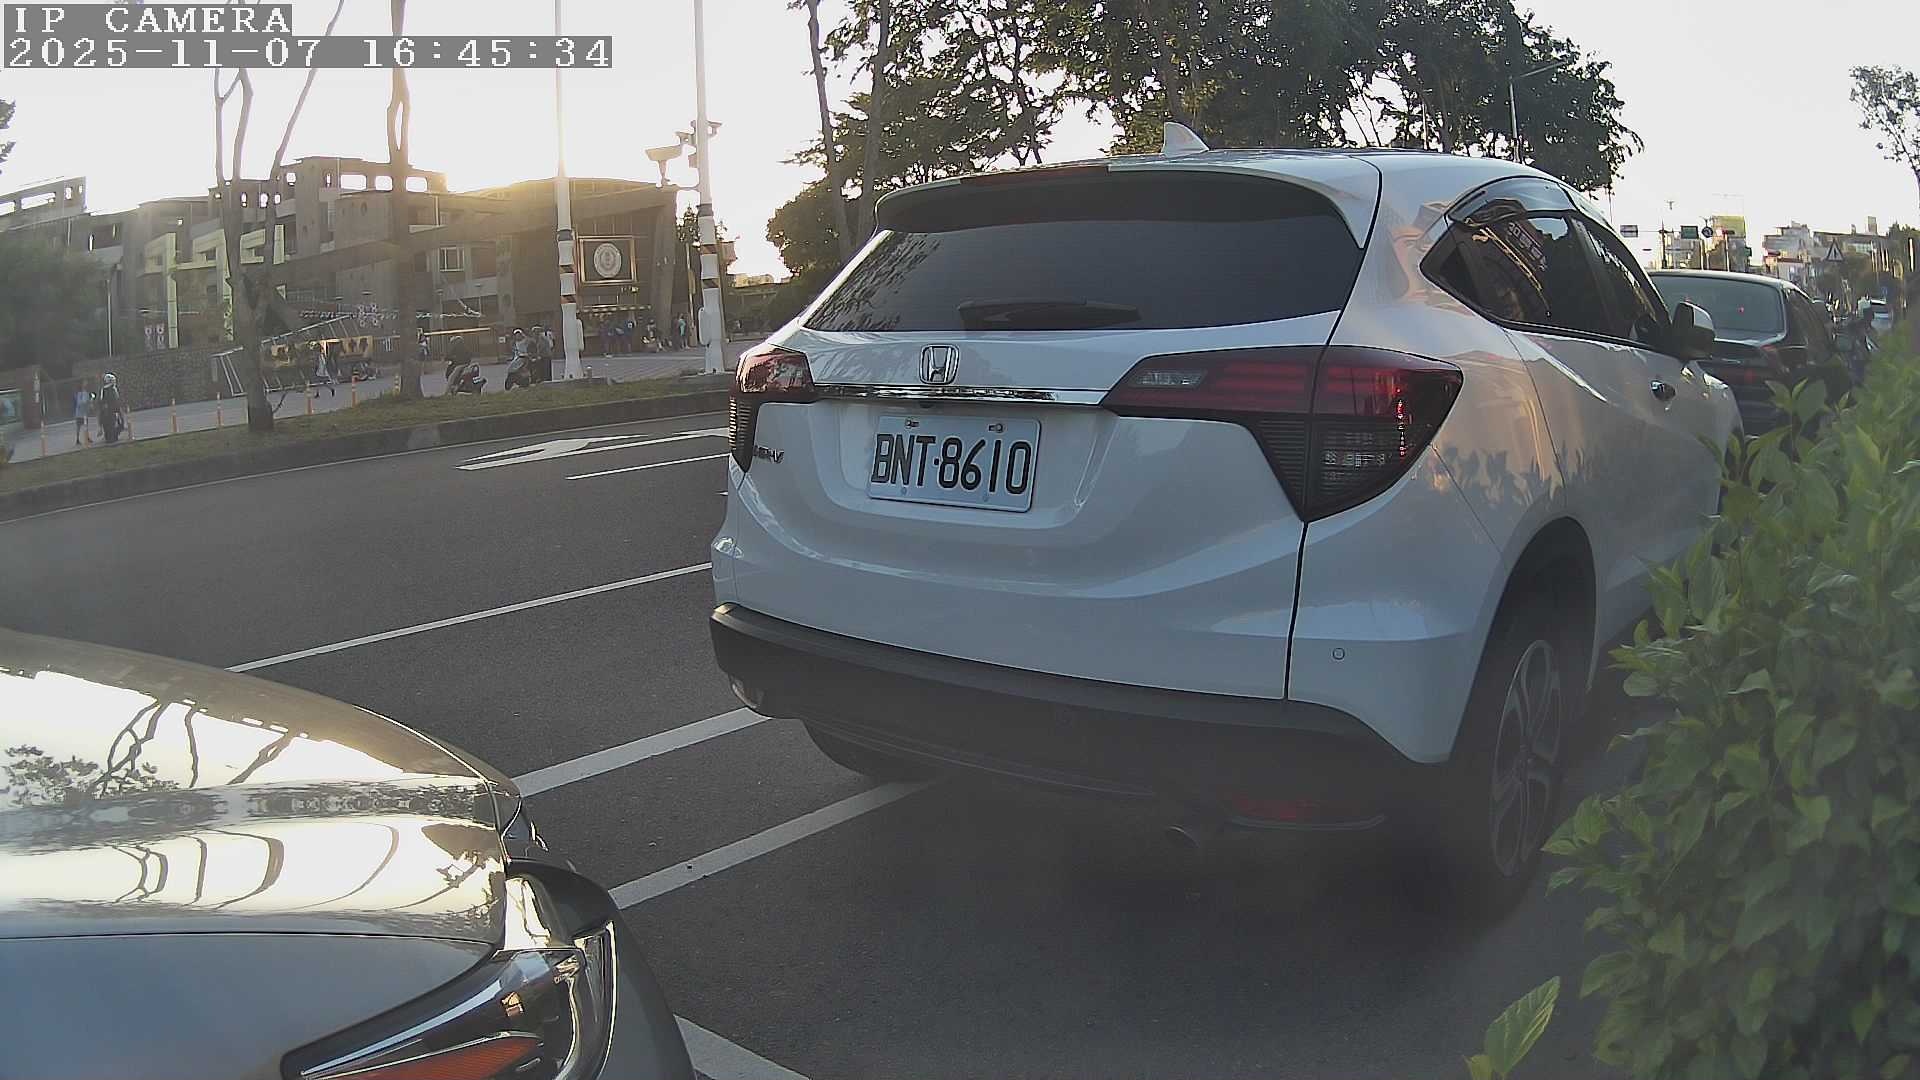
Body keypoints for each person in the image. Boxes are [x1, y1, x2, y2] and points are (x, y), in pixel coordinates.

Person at [98, 373, 126, 445]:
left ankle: (111, 436)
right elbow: (115, 400)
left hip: (109, 410)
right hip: (111, 410)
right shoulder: (110, 389)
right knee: (115, 423)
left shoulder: (106, 389)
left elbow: (102, 401)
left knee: (112, 424)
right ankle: (112, 437)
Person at [72, 380, 93, 446]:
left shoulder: (85, 393)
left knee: (86, 425)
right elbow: (80, 403)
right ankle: (77, 439)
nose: (86, 385)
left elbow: (87, 401)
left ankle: (87, 437)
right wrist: (87, 402)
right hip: (79, 413)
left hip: (84, 413)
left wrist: (89, 403)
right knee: (79, 426)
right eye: (84, 384)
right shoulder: (80, 394)